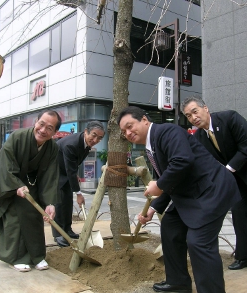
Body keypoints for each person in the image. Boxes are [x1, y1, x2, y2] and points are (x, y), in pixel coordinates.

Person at [117, 106, 241, 293]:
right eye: (123, 131)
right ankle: (178, 282)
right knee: (170, 227)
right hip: (190, 193)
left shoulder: (167, 131)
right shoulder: (152, 145)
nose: (127, 133)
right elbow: (173, 177)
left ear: (143, 120)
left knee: (198, 242)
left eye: (129, 126)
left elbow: (182, 161)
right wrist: (154, 208)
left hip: (212, 190)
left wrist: (158, 185)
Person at [181, 96, 247, 270]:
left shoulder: (229, 118)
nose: (193, 117)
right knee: (239, 216)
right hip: (236, 181)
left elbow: (246, 145)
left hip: (240, 169)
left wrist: (228, 169)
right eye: (188, 116)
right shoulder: (198, 137)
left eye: (195, 112)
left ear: (206, 108)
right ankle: (243, 256)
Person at [0, 110, 62, 272]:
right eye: (41, 124)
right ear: (36, 122)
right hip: (11, 184)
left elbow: (50, 175)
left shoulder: (52, 148)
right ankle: (16, 258)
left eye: (49, 128)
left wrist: (50, 203)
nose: (43, 130)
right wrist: (15, 185)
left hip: (32, 186)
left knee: (35, 217)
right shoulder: (17, 137)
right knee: (16, 217)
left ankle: (37, 256)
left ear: (54, 133)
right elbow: (5, 163)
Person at [52, 120, 105, 247]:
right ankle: (58, 234)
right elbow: (70, 170)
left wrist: (74, 174)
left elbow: (72, 165)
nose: (96, 140)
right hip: (54, 172)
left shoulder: (86, 143)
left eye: (100, 138)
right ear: (86, 131)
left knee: (68, 202)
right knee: (59, 203)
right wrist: (79, 193)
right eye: (93, 135)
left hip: (65, 170)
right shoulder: (71, 144)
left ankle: (67, 230)